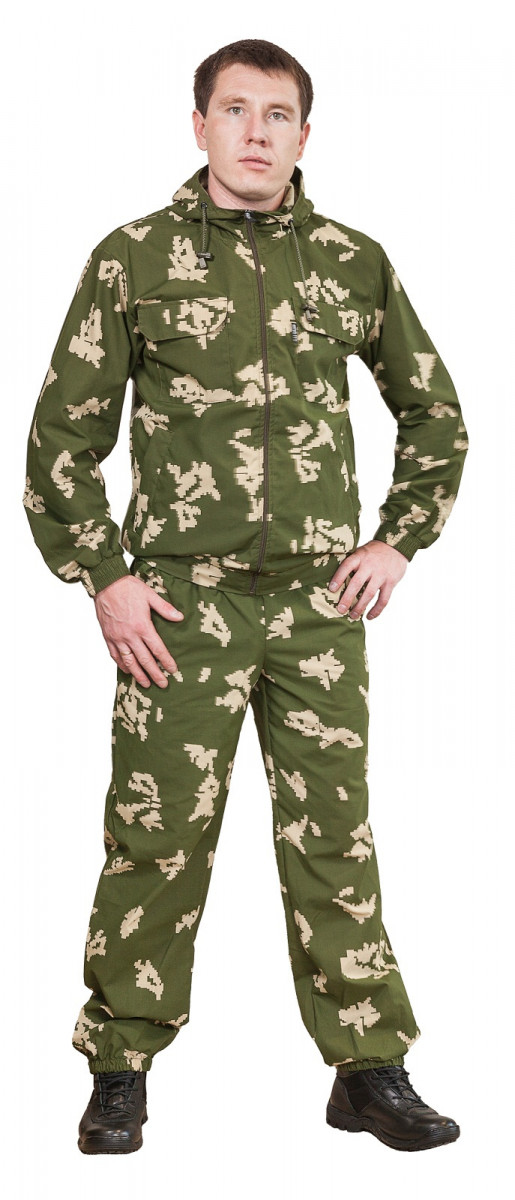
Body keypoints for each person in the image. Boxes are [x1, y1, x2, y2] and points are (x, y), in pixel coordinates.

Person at [22, 38, 468, 1156]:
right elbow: (60, 440)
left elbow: (434, 414)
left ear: (304, 135)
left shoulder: (351, 261)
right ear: (199, 125)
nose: (255, 133)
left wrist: (398, 541)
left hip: (318, 608)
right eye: (234, 110)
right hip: (181, 609)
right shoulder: (133, 257)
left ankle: (366, 1068)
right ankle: (119, 1065)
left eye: (277, 115)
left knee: (333, 837)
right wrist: (106, 578)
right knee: (155, 836)